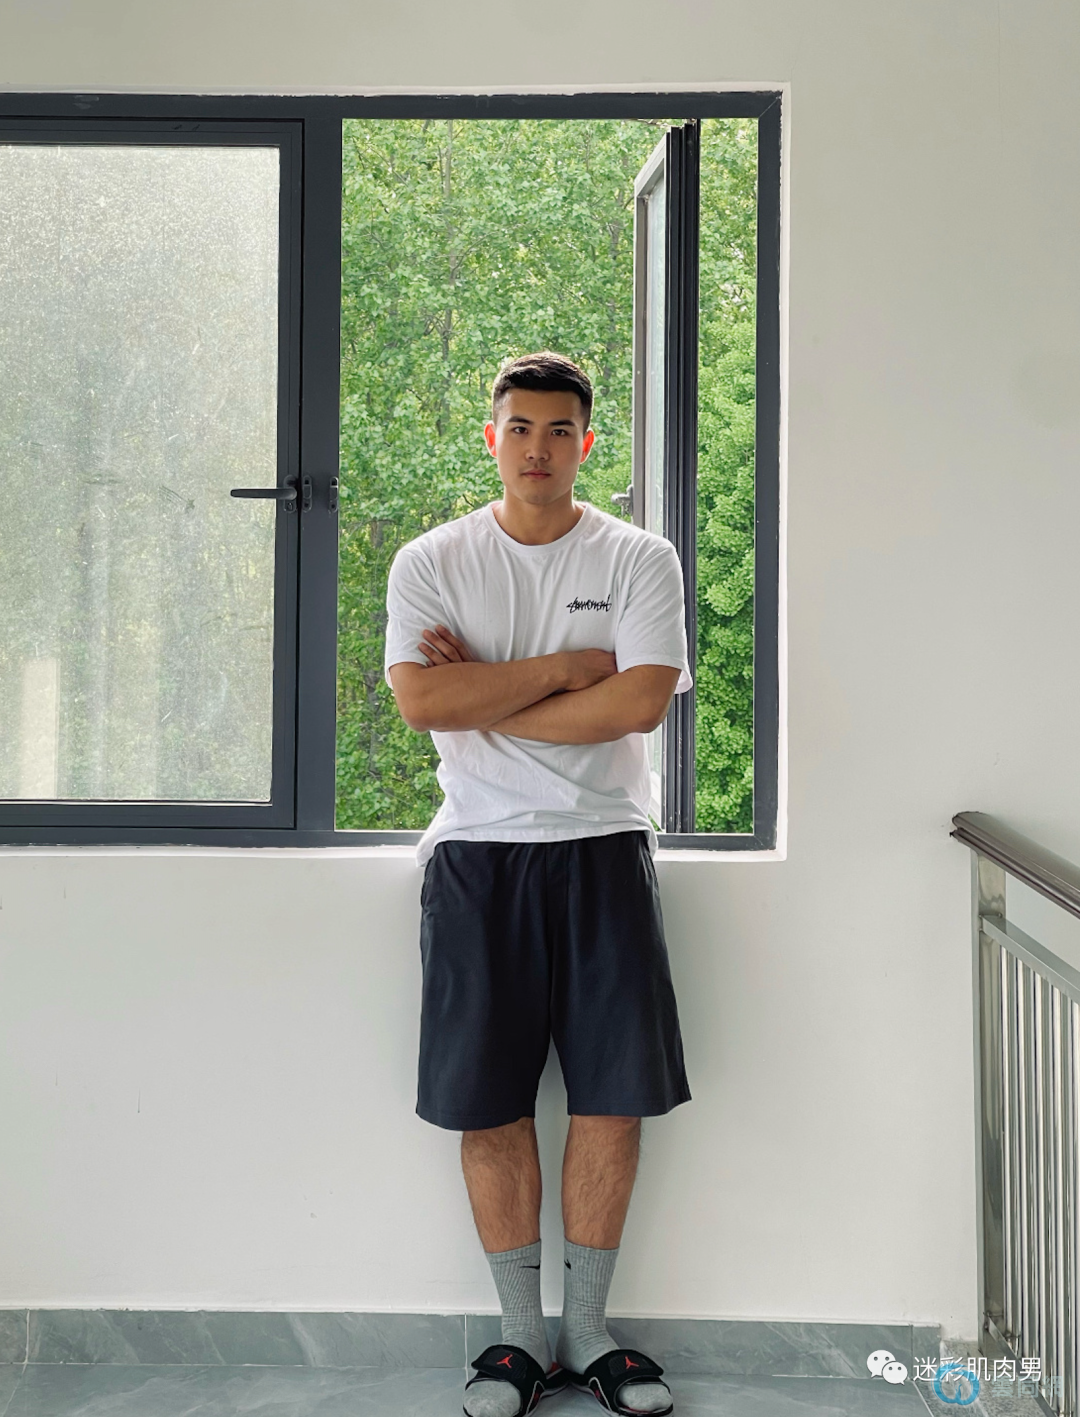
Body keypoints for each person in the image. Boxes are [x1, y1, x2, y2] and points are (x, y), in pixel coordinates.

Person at [383, 351, 693, 1417]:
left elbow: (638, 704)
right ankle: (519, 1340)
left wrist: (483, 691)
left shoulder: (639, 557)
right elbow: (422, 704)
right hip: (477, 855)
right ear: (492, 438)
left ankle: (589, 1335)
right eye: (520, 428)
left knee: (612, 1098)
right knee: (490, 1104)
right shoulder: (432, 560)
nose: (539, 449)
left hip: (605, 849)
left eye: (561, 431)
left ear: (586, 444)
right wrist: (566, 668)